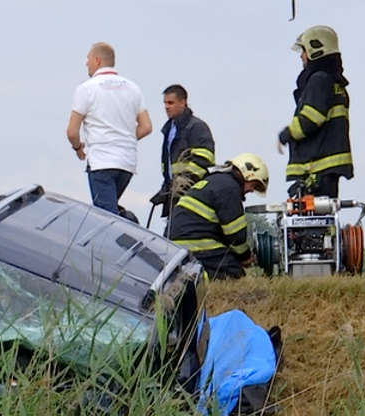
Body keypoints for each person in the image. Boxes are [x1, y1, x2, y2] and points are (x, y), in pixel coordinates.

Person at [67, 42, 152, 216]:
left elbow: (72, 132)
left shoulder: (87, 89)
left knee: (106, 218)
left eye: (88, 58)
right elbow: (146, 126)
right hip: (127, 162)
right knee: (111, 210)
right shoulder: (133, 88)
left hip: (101, 161)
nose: (86, 63)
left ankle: (129, 227)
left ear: (97, 60)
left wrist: (77, 148)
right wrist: (125, 137)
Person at [277, 25, 353, 199]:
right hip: (326, 170)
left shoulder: (319, 80)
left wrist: (286, 134)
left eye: (304, 50)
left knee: (311, 214)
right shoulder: (335, 84)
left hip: (317, 169)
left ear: (316, 51)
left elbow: (311, 118)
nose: (301, 56)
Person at [168, 153, 269, 280]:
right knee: (234, 273)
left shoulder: (216, 181)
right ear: (247, 174)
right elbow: (235, 234)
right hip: (195, 244)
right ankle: (197, 280)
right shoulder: (229, 188)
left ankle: (191, 276)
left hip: (178, 245)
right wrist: (246, 257)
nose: (251, 190)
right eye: (253, 185)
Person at [149, 84, 216, 236]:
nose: (166, 107)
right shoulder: (169, 129)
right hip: (175, 196)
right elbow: (169, 166)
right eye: (165, 103)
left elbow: (205, 160)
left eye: (170, 103)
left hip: (192, 195)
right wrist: (166, 189)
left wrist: (183, 183)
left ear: (183, 102)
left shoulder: (197, 127)